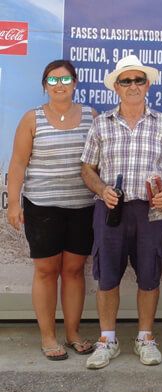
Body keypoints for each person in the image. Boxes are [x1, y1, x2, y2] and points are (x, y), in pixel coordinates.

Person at [80, 55, 162, 369]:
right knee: (107, 276)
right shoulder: (101, 123)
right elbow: (87, 168)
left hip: (151, 211)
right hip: (111, 209)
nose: (133, 85)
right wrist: (102, 189)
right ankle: (107, 340)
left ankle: (145, 338)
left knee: (149, 275)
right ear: (117, 87)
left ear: (147, 85)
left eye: (139, 80)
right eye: (126, 81)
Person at [6, 60, 98, 361]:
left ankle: (72, 334)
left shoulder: (91, 116)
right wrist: (14, 203)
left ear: (75, 83)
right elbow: (18, 163)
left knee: (73, 271)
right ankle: (48, 337)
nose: (60, 85)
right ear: (45, 85)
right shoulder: (32, 119)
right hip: (42, 208)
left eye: (66, 79)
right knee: (46, 272)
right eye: (53, 80)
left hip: (82, 207)